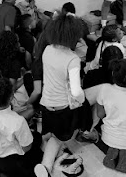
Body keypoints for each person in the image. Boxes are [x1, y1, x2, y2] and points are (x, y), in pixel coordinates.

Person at [35, 14, 87, 176]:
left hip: (46, 102)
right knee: (60, 137)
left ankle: (46, 158)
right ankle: (46, 165)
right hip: (63, 107)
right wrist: (81, 101)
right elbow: (76, 91)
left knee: (51, 133)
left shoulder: (47, 50)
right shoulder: (72, 59)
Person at [0, 31, 34, 120]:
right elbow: (12, 88)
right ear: (13, 45)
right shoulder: (14, 63)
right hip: (9, 98)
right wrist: (25, 75)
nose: (19, 44)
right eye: (17, 42)